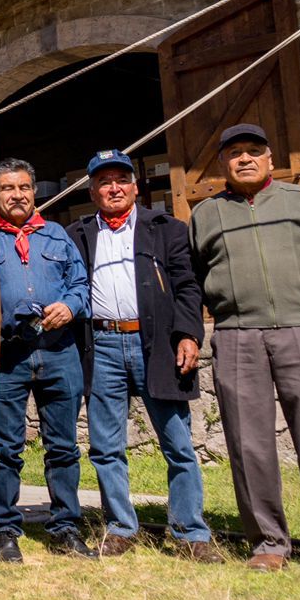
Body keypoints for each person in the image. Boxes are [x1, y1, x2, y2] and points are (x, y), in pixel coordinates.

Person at [189, 124, 300, 574]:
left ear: (269, 157)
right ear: (223, 163)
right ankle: (267, 543)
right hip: (238, 335)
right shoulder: (206, 214)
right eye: (235, 153)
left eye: (253, 152)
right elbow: (198, 275)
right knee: (249, 443)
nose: (244, 159)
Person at [66, 149, 222, 563]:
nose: (113, 188)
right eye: (104, 181)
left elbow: (188, 286)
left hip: (155, 345)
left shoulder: (166, 229)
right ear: (93, 189)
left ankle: (190, 531)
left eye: (121, 179)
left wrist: (189, 333)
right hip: (101, 347)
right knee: (105, 446)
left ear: (135, 186)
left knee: (178, 443)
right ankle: (120, 526)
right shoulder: (78, 234)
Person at [0, 158, 94, 562]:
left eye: (24, 187)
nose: (17, 195)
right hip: (7, 355)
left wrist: (69, 304)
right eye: (8, 188)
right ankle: (5, 529)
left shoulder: (58, 236)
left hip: (58, 352)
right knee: (5, 449)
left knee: (63, 447)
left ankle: (65, 526)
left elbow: (81, 285)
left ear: (33, 192)